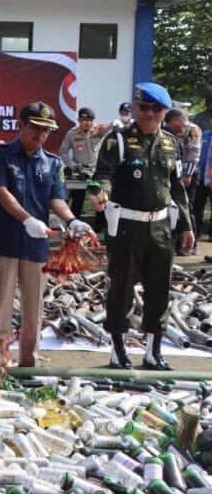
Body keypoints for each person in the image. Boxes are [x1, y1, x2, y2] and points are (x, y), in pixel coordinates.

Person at [92, 83, 194, 371]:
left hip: (161, 228)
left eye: (157, 109)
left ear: (164, 112)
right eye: (144, 107)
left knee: (159, 291)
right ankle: (118, 352)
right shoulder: (118, 140)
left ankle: (153, 352)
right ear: (135, 107)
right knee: (121, 290)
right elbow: (103, 175)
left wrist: (187, 227)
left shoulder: (170, 143)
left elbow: (176, 188)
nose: (150, 114)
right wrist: (101, 192)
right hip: (127, 227)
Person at [0, 102, 88, 368]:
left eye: (46, 131)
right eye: (36, 128)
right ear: (21, 125)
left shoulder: (53, 163)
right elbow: (0, 191)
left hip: (35, 245)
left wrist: (72, 220)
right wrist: (26, 218)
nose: (41, 135)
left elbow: (57, 199)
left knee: (33, 309)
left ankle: (29, 363)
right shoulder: (0, 155)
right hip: (2, 240)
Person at [58, 106, 107, 232]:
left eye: (90, 120)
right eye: (85, 120)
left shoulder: (98, 130)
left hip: (96, 170)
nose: (88, 123)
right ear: (79, 120)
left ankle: (100, 229)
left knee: (99, 200)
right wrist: (72, 165)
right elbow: (63, 151)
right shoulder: (72, 133)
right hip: (79, 171)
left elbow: (112, 130)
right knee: (77, 201)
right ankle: (74, 228)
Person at [164, 108, 201, 255]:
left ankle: (191, 245)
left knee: (187, 207)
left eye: (185, 119)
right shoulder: (163, 131)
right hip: (172, 174)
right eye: (182, 119)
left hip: (188, 173)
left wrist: (188, 174)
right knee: (172, 209)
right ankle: (176, 243)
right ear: (173, 120)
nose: (185, 123)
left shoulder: (192, 130)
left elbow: (194, 153)